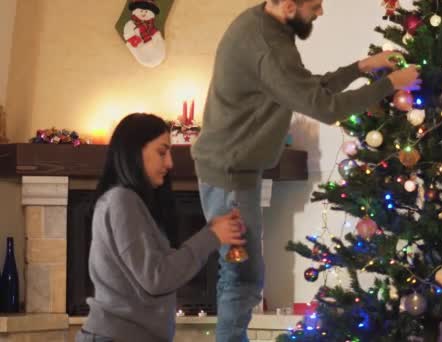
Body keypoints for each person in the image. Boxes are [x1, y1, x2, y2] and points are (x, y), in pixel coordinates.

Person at [191, 1, 421, 340]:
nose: (320, 12)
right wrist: (391, 84)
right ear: (287, 6)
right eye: (314, 6)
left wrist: (361, 67)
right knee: (242, 278)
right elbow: (325, 108)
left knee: (241, 275)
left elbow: (302, 88)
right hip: (229, 175)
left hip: (233, 169)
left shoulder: (266, 27)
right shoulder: (267, 46)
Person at [76, 113, 246, 342]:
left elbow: (157, 271)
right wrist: (211, 236)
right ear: (135, 151)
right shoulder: (121, 201)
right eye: (161, 151)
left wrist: (214, 230)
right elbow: (157, 278)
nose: (170, 163)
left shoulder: (127, 202)